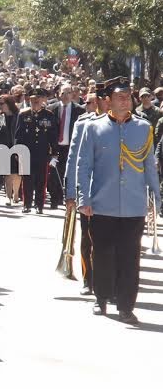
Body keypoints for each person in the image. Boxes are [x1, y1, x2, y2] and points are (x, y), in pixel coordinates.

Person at [77, 76, 160, 324]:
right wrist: (84, 197)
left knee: (130, 257)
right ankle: (101, 297)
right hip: (102, 203)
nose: (124, 101)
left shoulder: (144, 129)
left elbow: (149, 166)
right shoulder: (94, 127)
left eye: (127, 97)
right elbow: (84, 166)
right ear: (109, 102)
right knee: (102, 254)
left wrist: (156, 197)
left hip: (134, 205)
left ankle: (126, 306)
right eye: (119, 97)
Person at [65, 82, 109, 296]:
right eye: (94, 100)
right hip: (89, 192)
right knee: (88, 238)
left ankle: (110, 282)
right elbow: (73, 160)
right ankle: (89, 279)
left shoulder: (128, 123)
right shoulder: (83, 123)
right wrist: (71, 193)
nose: (92, 104)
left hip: (114, 194)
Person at [15, 88, 58, 214]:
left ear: (42, 100)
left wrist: (54, 153)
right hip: (27, 152)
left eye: (37, 100)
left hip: (42, 153)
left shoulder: (49, 115)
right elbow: (18, 134)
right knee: (27, 180)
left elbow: (53, 135)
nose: (35, 102)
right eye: (33, 100)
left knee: (41, 180)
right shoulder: (24, 114)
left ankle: (39, 205)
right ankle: (27, 204)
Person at [46, 84, 85, 209]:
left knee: (68, 173)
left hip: (71, 147)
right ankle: (54, 198)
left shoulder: (79, 110)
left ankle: (67, 197)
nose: (66, 95)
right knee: (54, 173)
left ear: (72, 94)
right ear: (59, 94)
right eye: (63, 93)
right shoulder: (51, 109)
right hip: (55, 146)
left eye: (68, 92)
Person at [0, 95, 20, 206]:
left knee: (18, 174)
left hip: (17, 147)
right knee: (7, 174)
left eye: (2, 103)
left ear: (9, 103)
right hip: (4, 148)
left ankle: (16, 193)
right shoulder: (0, 116)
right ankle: (8, 196)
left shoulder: (18, 115)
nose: (0, 106)